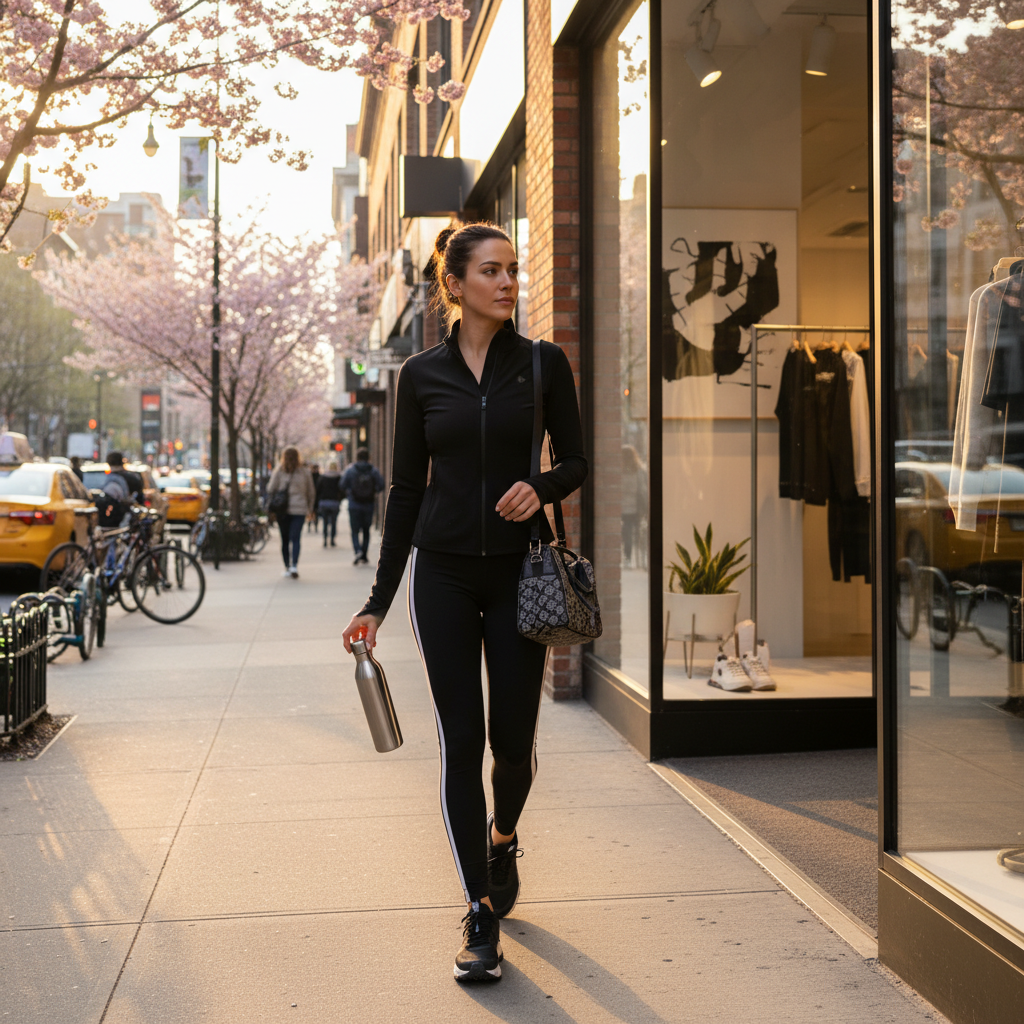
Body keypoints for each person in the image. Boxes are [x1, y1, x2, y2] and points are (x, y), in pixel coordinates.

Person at [342, 222, 586, 983]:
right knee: (462, 740)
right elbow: (406, 491)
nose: (508, 282)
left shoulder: (543, 366)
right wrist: (378, 600)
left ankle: (504, 834)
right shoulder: (421, 376)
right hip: (441, 576)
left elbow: (574, 459)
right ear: (454, 284)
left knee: (513, 742)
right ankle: (479, 908)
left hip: (520, 575)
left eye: (512, 270)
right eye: (491, 271)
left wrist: (539, 486)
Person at [267, 446, 315, 578]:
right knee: (296, 538)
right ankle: (294, 565)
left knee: (285, 539)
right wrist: (310, 509)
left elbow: (270, 488)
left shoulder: (279, 471)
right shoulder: (305, 472)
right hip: (299, 509)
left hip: (282, 510)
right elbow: (311, 492)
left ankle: (287, 566)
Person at [340, 448, 384, 565]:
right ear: (368, 457)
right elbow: (381, 485)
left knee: (355, 530)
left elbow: (342, 484)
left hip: (354, 505)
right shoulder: (373, 470)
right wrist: (373, 491)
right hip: (368, 505)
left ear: (357, 457)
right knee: (366, 530)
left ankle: (357, 551)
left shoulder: (350, 470)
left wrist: (350, 492)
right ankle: (364, 554)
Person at [316, 461, 344, 548]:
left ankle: (325, 540)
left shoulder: (322, 478)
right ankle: (332, 540)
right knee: (333, 522)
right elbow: (342, 490)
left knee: (324, 522)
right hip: (334, 502)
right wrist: (339, 499)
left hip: (324, 502)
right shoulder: (339, 477)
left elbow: (317, 490)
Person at [308, 463, 321, 532]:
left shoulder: (309, 476)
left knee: (312, 512)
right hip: (315, 497)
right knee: (314, 512)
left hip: (313, 497)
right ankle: (312, 525)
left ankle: (311, 525)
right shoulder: (319, 476)